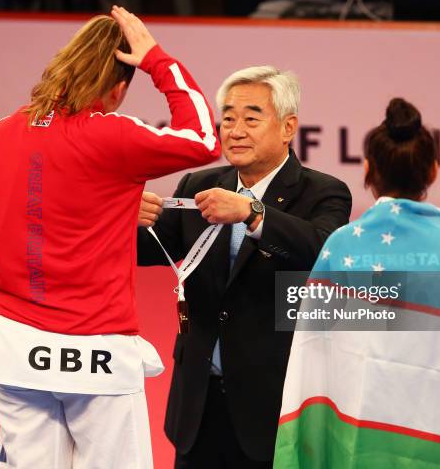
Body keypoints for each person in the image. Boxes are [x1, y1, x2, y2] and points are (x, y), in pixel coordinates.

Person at [0, 6, 220, 469]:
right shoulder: (111, 135)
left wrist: (27, 297)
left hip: (15, 348)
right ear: (117, 89)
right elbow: (201, 137)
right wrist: (157, 60)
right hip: (98, 357)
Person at [275, 98, 440, 467]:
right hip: (435, 429)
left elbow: (314, 350)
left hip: (360, 431)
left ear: (368, 169)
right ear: (433, 170)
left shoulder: (342, 244)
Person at [137, 66, 352, 467]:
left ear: (288, 128)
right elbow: (143, 250)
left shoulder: (324, 192)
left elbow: (322, 251)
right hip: (197, 405)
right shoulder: (197, 185)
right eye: (228, 118)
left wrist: (253, 213)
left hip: (273, 406)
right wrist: (121, 214)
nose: (235, 130)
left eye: (251, 119)